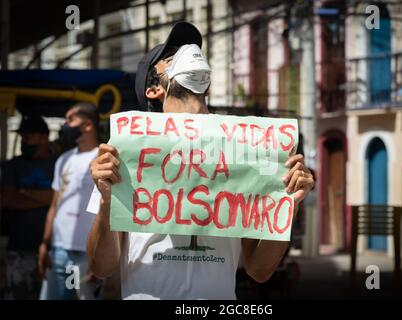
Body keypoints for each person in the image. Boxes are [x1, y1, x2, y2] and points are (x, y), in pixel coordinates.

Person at [86, 22, 315, 299]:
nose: (188, 53)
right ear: (153, 89)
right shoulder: (124, 150)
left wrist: (288, 203)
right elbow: (101, 267)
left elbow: (259, 271)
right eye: (170, 58)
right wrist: (106, 203)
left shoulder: (246, 148)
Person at [38, 102, 101, 300]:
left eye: (70, 120)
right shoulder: (64, 159)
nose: (66, 125)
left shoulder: (104, 158)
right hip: (59, 250)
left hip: (88, 254)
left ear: (88, 125)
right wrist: (45, 243)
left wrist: (100, 255)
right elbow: (55, 204)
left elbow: (109, 211)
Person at [0, 115, 57, 299]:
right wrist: (50, 198)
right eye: (22, 137)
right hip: (19, 248)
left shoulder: (59, 164)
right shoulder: (14, 165)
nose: (24, 142)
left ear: (44, 137)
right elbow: (7, 199)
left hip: (53, 249)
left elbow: (61, 199)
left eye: (28, 137)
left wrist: (23, 191)